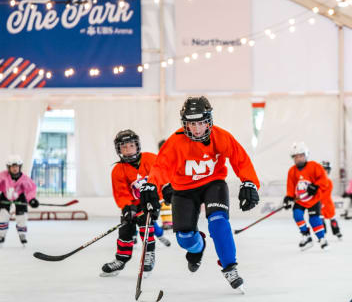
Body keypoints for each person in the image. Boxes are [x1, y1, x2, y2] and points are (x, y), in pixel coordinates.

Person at [140, 96, 260, 292]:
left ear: (209, 121)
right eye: (191, 123)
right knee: (185, 238)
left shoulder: (221, 137)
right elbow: (161, 166)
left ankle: (230, 266)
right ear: (185, 123)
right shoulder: (175, 141)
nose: (196, 128)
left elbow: (241, 160)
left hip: (214, 184)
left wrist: (249, 182)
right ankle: (199, 246)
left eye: (201, 123)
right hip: (184, 190)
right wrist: (152, 186)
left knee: (219, 222)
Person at [101, 130, 170, 277]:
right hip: (133, 205)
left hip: (151, 202)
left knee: (146, 226)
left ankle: (148, 256)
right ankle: (121, 259)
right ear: (118, 149)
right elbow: (121, 192)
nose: (128, 150)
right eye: (124, 147)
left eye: (131, 146)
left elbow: (162, 177)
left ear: (137, 146)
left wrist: (166, 190)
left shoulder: (151, 158)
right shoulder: (118, 170)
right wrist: (127, 208)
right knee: (125, 230)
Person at [283, 142, 330, 250]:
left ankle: (322, 239)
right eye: (296, 157)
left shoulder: (314, 166)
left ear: (305, 155)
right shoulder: (292, 171)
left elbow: (324, 180)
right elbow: (290, 186)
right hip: (300, 200)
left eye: (300, 156)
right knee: (297, 214)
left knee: (314, 219)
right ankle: (306, 236)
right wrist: (288, 198)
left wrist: (316, 186)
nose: (298, 159)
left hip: (313, 199)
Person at [0, 155, 38, 246]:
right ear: (8, 167)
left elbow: (31, 189)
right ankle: (1, 235)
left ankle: (22, 234)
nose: (15, 168)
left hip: (19, 197)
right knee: (3, 215)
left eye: (17, 166)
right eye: (13, 166)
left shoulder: (24, 178)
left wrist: (32, 199)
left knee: (22, 216)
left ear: (20, 167)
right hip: (5, 196)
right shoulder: (3, 175)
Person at [320, 161, 342, 239]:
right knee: (321, 219)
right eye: (323, 170)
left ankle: (337, 232)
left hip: (327, 203)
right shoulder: (317, 181)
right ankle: (322, 234)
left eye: (326, 170)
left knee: (332, 218)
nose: (325, 171)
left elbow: (325, 194)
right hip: (320, 204)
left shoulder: (329, 182)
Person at [157, 139, 173, 230]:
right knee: (164, 204)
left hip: (170, 184)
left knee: (168, 204)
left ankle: (169, 222)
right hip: (164, 184)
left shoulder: (172, 157)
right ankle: (167, 222)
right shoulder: (160, 159)